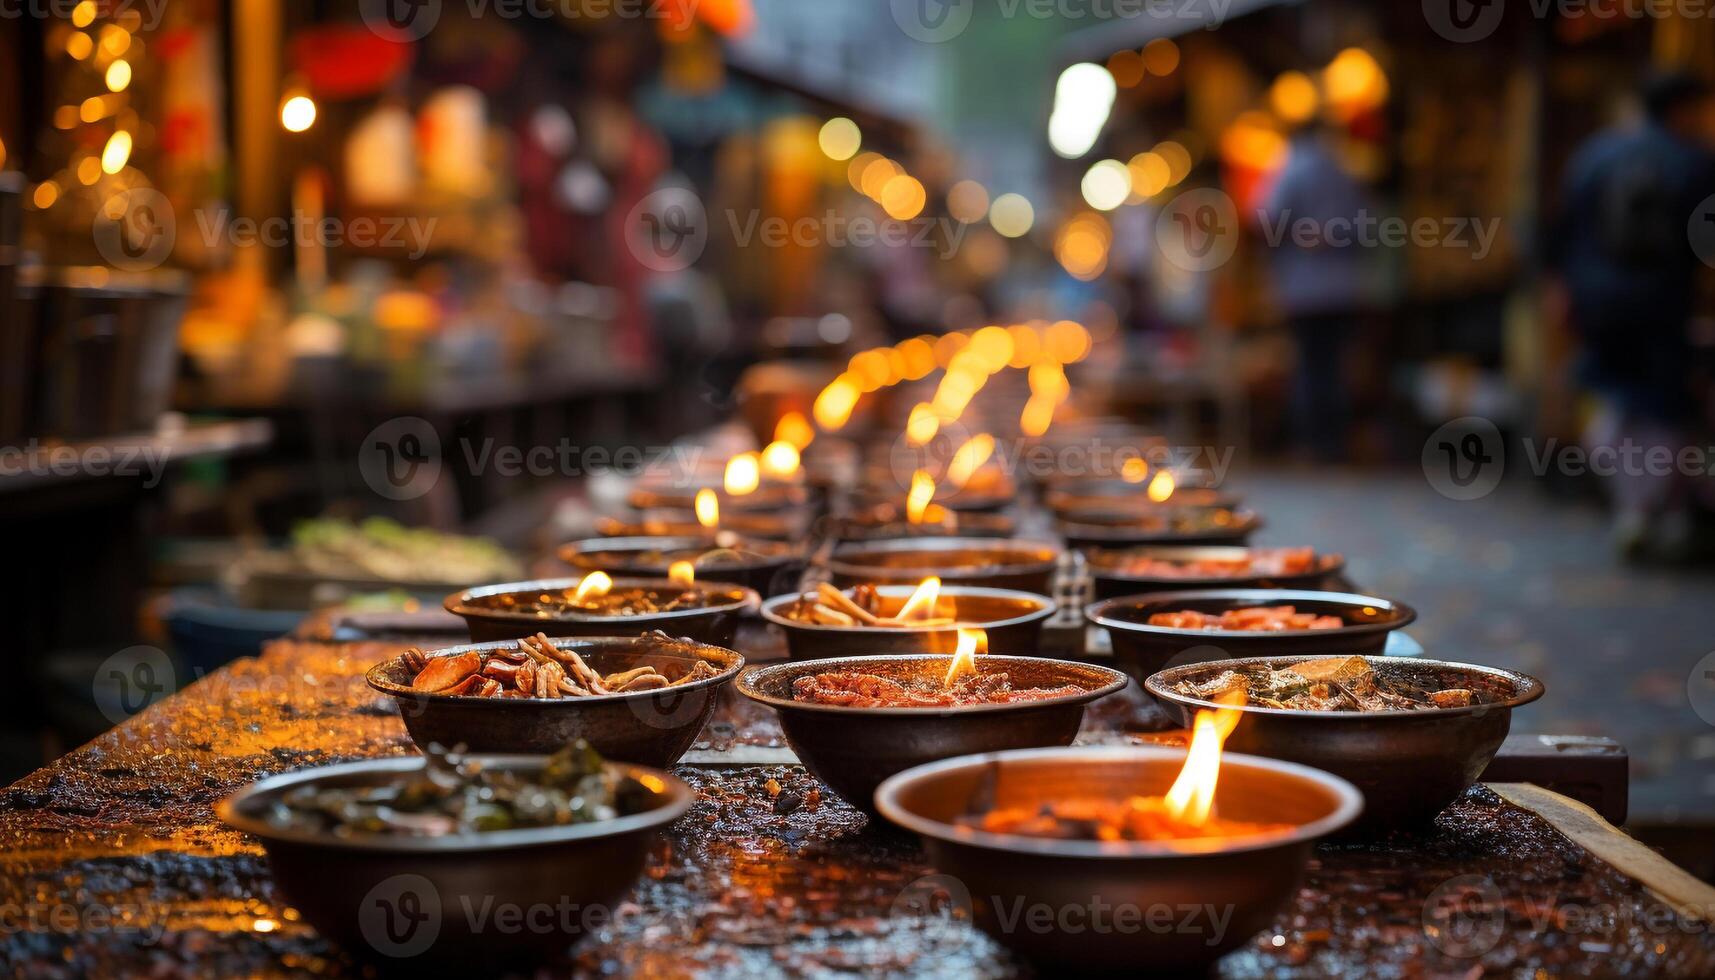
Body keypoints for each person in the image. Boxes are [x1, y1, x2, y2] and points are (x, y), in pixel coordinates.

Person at [1550, 71, 1715, 559]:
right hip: (1662, 304)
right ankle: (1649, 510)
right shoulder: (1694, 161)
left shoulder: (1595, 155)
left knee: (1615, 401)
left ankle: (1637, 508)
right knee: (1663, 405)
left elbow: (1564, 232)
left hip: (1597, 302)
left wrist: (1565, 291)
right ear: (1682, 108)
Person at [1259, 124, 1378, 462]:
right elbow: (1368, 226)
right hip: (1345, 289)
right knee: (1335, 365)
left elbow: (1267, 219)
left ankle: (1312, 443)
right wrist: (1334, 234)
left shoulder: (1292, 168)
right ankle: (1335, 443)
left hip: (1305, 291)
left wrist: (1298, 238)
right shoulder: (1344, 170)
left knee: (1309, 365)